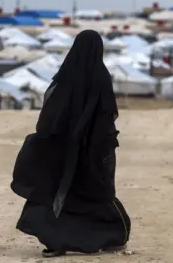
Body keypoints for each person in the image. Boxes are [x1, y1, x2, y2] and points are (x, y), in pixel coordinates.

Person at [10, 30, 131, 258]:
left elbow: (48, 116)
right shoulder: (101, 77)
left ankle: (54, 242)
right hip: (91, 153)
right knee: (93, 193)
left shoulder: (64, 77)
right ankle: (108, 236)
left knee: (55, 192)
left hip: (62, 150)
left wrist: (47, 140)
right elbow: (107, 117)